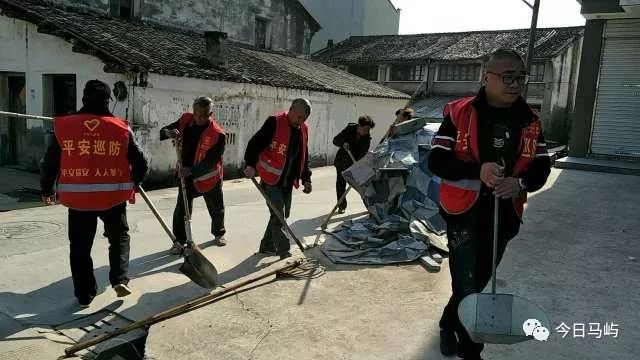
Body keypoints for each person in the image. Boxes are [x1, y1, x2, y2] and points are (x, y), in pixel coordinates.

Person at [428, 49, 551, 360]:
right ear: (486, 78)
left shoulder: (530, 121)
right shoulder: (460, 114)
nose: (515, 83)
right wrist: (476, 171)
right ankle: (472, 351)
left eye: (520, 77)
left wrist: (519, 183)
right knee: (467, 284)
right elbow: (437, 160)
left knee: (478, 281)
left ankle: (447, 323)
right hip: (464, 214)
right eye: (507, 76)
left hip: (505, 215)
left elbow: (541, 167)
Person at [40, 79, 148, 308]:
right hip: (113, 198)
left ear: (83, 99)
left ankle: (84, 294)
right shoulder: (121, 127)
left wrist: (47, 188)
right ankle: (119, 278)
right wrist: (135, 182)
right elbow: (141, 161)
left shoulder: (65, 126)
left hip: (78, 201)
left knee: (79, 247)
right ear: (108, 101)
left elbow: (50, 161)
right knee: (118, 238)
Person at [243, 98, 313, 259]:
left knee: (282, 213)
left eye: (304, 119)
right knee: (279, 215)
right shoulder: (274, 122)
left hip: (288, 181)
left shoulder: (303, 129)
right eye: (299, 117)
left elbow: (303, 155)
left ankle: (267, 246)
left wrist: (306, 178)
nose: (301, 121)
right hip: (270, 178)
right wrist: (250, 165)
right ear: (291, 110)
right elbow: (254, 144)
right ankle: (283, 251)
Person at [160, 96, 227, 255]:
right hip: (186, 176)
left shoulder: (218, 134)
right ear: (194, 111)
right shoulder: (185, 120)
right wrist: (168, 132)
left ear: (211, 113)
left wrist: (192, 170)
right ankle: (180, 241)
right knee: (182, 209)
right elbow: (163, 132)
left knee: (216, 207)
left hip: (209, 177)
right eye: (199, 115)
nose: (202, 118)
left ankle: (219, 233)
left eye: (207, 115)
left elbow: (211, 160)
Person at [332, 115, 375, 213]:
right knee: (340, 184)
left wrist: (358, 165)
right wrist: (343, 143)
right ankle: (342, 206)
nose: (366, 132)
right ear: (359, 126)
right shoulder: (350, 129)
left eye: (368, 130)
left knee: (362, 186)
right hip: (342, 161)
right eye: (364, 129)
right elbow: (335, 140)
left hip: (355, 164)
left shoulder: (367, 138)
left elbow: (363, 153)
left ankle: (370, 207)